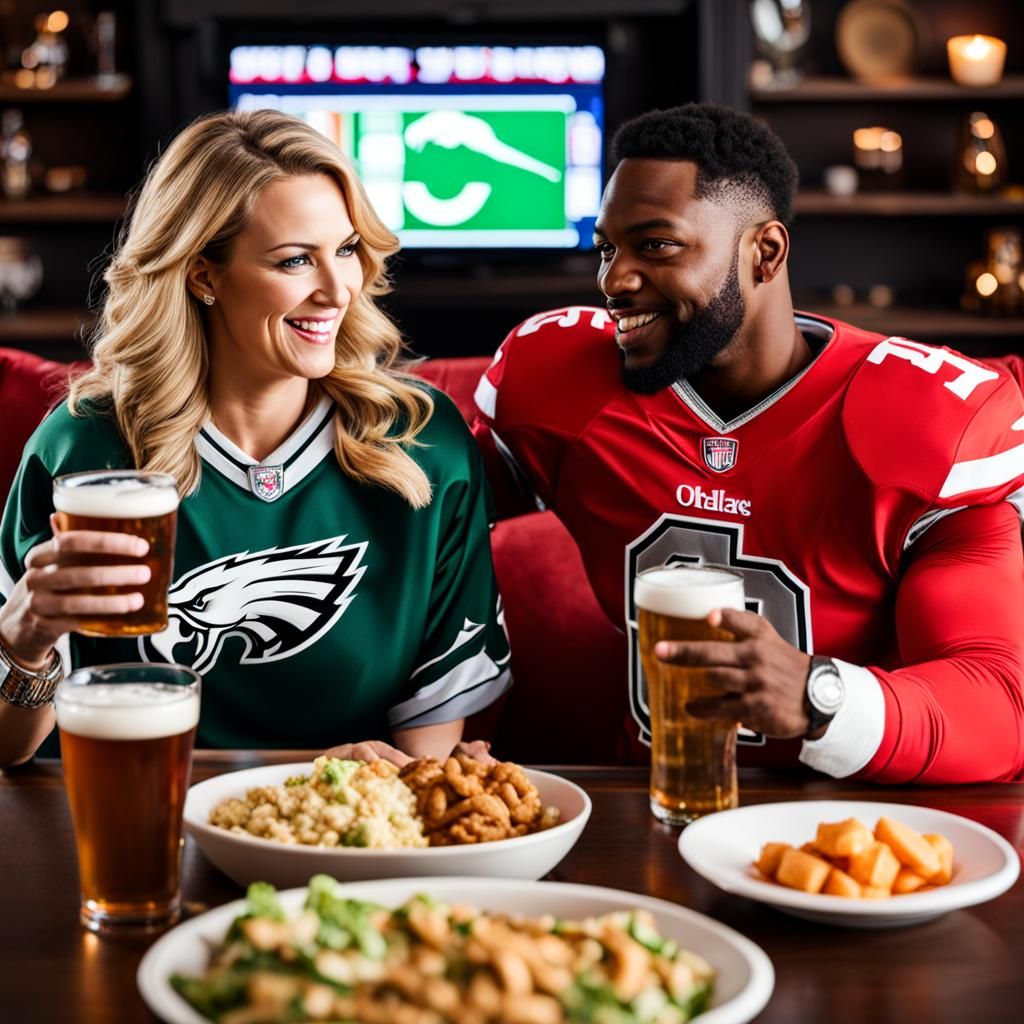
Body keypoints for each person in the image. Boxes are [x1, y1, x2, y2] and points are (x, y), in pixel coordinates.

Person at [473, 102, 1024, 784]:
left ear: (765, 252)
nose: (613, 281)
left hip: (850, 827)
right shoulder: (562, 384)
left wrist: (820, 696)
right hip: (644, 801)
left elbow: (997, 702)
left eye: (657, 245)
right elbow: (421, 522)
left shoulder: (923, 421)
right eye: (608, 249)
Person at [0, 109, 510, 767]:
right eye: (296, 259)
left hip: (337, 839)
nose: (337, 290)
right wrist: (25, 637)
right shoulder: (85, 446)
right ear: (202, 273)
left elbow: (424, 755)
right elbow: (9, 754)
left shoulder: (423, 442)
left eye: (348, 249)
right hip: (134, 828)